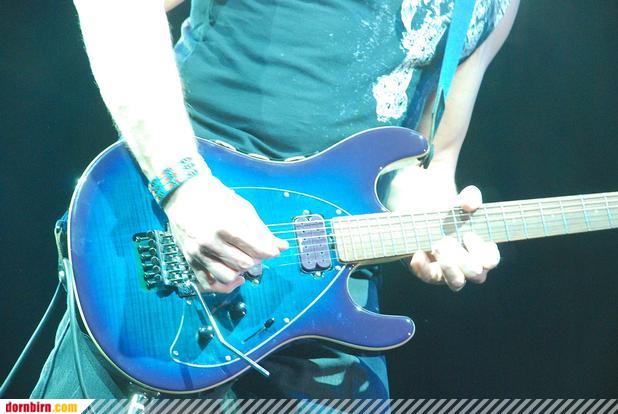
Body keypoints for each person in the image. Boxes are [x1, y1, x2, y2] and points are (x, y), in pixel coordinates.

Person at [31, 0, 519, 401]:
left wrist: (440, 228)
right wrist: (184, 188)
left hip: (329, 300)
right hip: (171, 254)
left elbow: (427, 160)